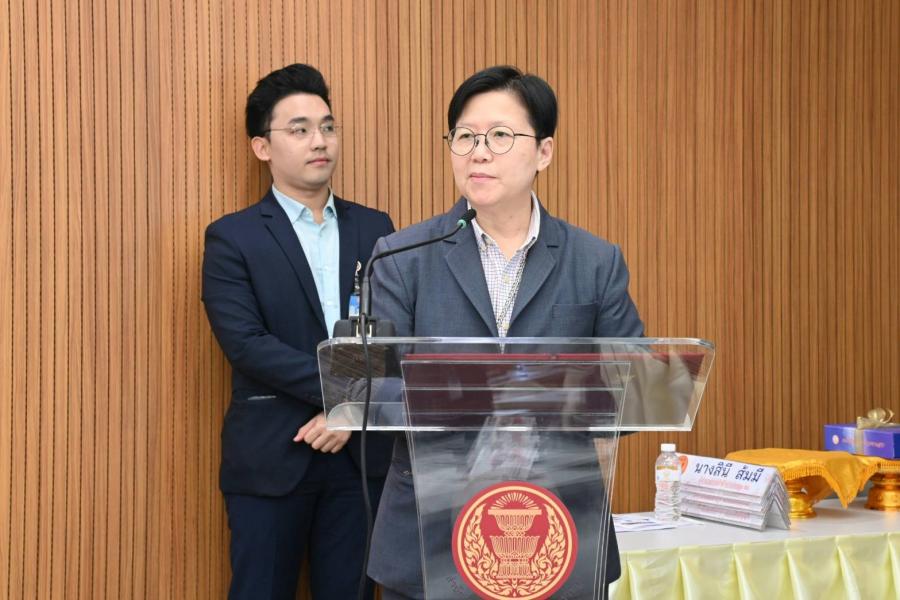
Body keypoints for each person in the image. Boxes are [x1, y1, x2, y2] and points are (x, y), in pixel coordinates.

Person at [367, 65, 644, 599]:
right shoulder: (403, 257)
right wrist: (487, 395)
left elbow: (632, 389)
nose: (478, 153)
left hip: (560, 531)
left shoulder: (594, 261)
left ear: (544, 152)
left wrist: (542, 394)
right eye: (465, 137)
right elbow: (374, 391)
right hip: (431, 531)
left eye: (499, 136)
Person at [202, 63, 394, 600]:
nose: (320, 141)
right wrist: (342, 397)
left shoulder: (376, 228)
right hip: (271, 456)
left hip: (359, 459)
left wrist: (350, 413)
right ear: (262, 147)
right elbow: (246, 344)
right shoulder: (232, 237)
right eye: (300, 129)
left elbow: (391, 331)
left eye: (328, 127)